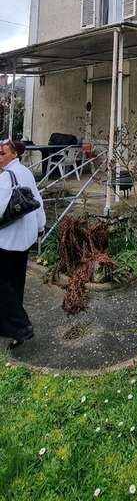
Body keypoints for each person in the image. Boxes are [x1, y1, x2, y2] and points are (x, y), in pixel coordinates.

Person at [0, 139, 46, 348]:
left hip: (8, 240)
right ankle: (8, 325)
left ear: (13, 155)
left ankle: (20, 326)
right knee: (16, 282)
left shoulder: (5, 178)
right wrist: (39, 226)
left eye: (2, 153)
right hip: (25, 238)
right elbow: (37, 200)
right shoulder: (26, 172)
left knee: (3, 284)